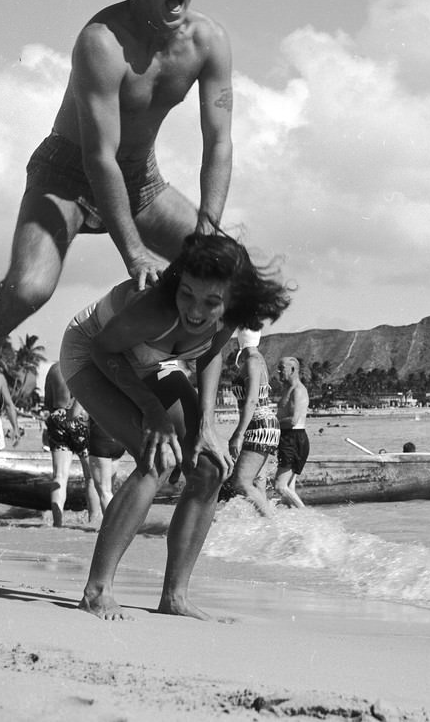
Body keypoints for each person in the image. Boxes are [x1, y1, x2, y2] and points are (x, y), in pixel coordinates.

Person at [0, 0, 234, 420]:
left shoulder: (208, 41)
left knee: (235, 271)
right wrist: (135, 254)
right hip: (67, 175)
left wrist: (208, 229)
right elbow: (98, 158)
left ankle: (195, 401)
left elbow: (220, 141)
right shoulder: (101, 41)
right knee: (30, 288)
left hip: (141, 179)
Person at [62, 231, 291, 620]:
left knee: (210, 468)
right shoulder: (154, 308)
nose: (196, 311)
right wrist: (151, 411)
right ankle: (96, 591)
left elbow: (211, 355)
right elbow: (103, 349)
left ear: (232, 298)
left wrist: (205, 425)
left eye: (211, 302)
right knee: (158, 458)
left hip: (151, 360)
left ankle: (175, 598)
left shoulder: (231, 312)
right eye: (187, 294)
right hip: (92, 353)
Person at [227, 329, 279, 516]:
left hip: (260, 425)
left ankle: (274, 525)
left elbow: (251, 400)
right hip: (262, 424)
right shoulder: (256, 360)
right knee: (258, 481)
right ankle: (264, 527)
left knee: (241, 482)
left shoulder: (252, 361)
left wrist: (238, 434)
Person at [43, 361, 101, 526]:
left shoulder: (54, 369)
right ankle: (94, 520)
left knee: (59, 475)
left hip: (58, 418)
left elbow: (48, 402)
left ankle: (57, 523)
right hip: (81, 419)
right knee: (90, 476)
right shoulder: (84, 366)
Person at [273, 356, 309, 508]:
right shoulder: (288, 389)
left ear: (293, 370)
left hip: (294, 439)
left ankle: (308, 518)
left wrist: (272, 423)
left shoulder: (298, 390)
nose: (278, 371)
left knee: (280, 487)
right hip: (288, 438)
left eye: (282, 368)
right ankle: (294, 524)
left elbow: (294, 420)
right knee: (289, 489)